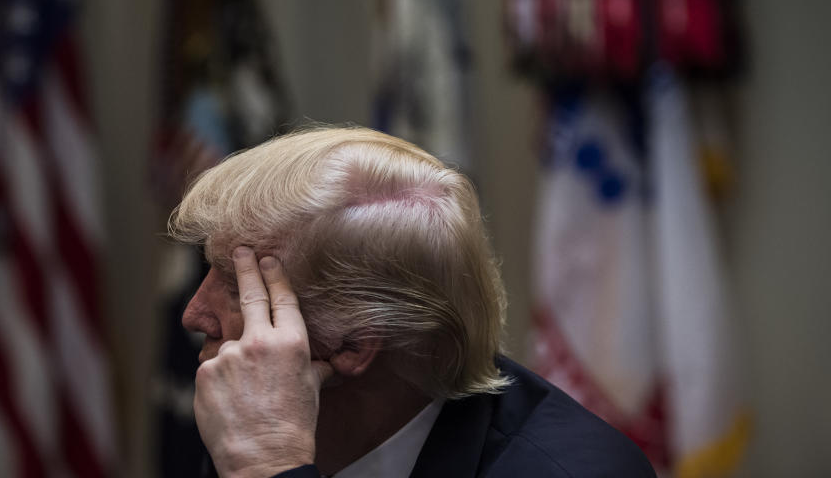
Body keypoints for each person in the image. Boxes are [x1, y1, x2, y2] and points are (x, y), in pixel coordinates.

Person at [172, 126, 656, 477]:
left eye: (239, 287)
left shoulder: (570, 471)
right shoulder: (251, 411)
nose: (193, 313)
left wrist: (270, 470)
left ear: (355, 342)